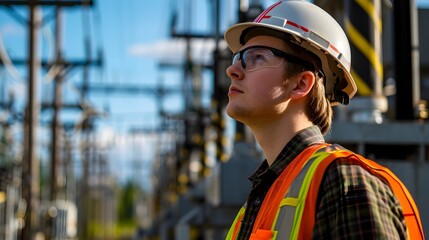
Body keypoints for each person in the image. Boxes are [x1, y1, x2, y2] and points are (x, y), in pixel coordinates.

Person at [223, 0, 424, 239]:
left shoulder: (346, 182)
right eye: (238, 58)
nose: (232, 70)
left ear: (301, 84)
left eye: (257, 57)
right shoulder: (259, 199)